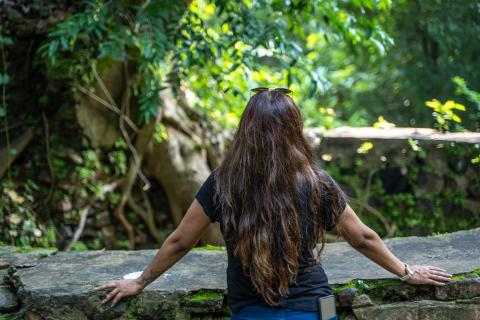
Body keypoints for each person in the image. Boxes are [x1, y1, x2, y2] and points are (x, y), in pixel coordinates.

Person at [94, 87, 452, 319]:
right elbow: (363, 238)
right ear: (293, 128)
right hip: (319, 306)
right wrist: (406, 272)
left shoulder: (224, 182)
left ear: (246, 129)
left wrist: (139, 282)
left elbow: (180, 240)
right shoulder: (316, 182)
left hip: (250, 310)